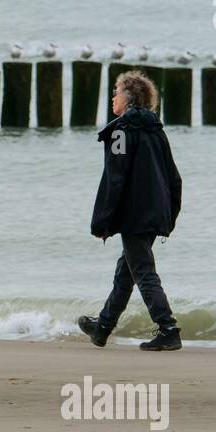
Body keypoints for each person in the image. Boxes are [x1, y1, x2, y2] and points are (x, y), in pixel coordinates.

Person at [78, 70, 184, 351]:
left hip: (135, 216)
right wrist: (170, 215)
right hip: (154, 213)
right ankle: (102, 327)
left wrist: (100, 222)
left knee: (144, 272)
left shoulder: (121, 132)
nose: (113, 96)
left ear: (129, 97)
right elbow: (174, 178)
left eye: (117, 91)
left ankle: (168, 329)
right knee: (126, 270)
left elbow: (115, 178)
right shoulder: (157, 131)